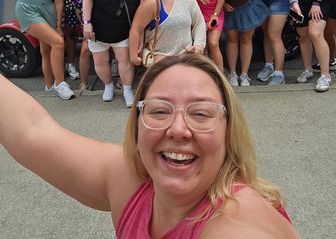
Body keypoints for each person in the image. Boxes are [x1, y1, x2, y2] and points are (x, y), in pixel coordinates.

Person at [0, 54, 301, 238]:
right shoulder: (132, 181)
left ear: (228, 130)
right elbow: (31, 131)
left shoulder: (240, 219)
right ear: (137, 125)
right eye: (159, 111)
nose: (179, 129)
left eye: (200, 113)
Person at [82, 0, 146, 107]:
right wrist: (87, 23)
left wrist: (140, 40)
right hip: (97, 30)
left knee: (125, 61)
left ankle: (126, 90)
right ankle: (108, 86)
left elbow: (140, 20)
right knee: (100, 61)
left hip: (122, 32)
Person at [129, 0, 206, 65]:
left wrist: (199, 45)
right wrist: (133, 54)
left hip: (186, 57)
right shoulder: (151, 3)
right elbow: (136, 29)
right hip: (161, 59)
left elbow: (199, 23)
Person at [64, 0, 100, 94]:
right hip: (88, 19)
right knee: (86, 49)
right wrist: (87, 25)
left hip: (104, 15)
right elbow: (78, 7)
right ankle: (84, 83)